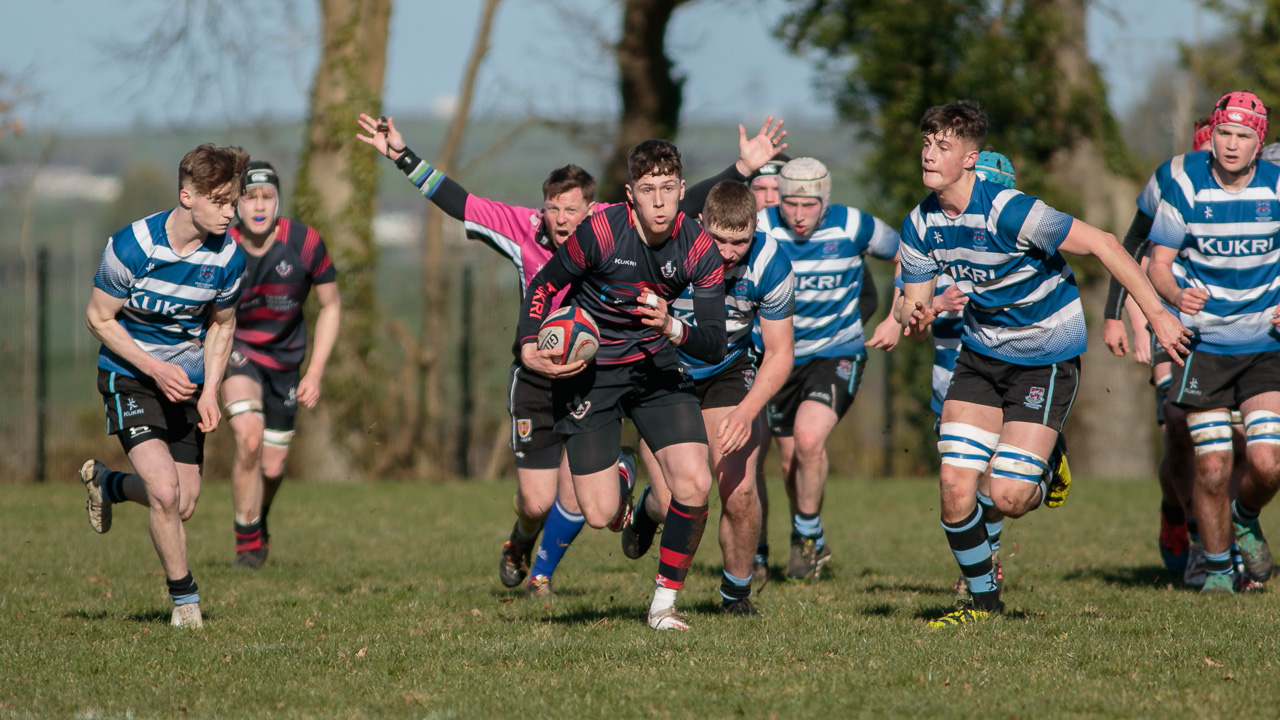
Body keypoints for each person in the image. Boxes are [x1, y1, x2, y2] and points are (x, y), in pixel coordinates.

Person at [355, 113, 782, 598]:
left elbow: (673, 199)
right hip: (542, 365)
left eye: (574, 210)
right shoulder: (523, 231)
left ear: (593, 207)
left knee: (618, 495)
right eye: (554, 210)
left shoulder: (612, 222)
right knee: (538, 503)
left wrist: (742, 169)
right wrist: (402, 156)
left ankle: (560, 574)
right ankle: (531, 540)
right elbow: (460, 203)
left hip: (614, 359)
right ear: (543, 210)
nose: (564, 219)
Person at [898, 101, 1188, 626]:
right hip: (982, 354)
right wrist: (914, 311)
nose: (930, 154)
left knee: (1008, 497)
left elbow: (1102, 244)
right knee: (954, 487)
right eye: (926, 143)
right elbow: (912, 300)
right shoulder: (921, 223)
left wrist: (1160, 316)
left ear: (970, 158)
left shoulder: (1011, 210)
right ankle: (984, 605)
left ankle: (1048, 458)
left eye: (943, 146)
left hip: (1046, 358)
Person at [516, 139, 728, 631]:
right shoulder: (601, 233)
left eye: (669, 189)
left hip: (656, 365)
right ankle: (625, 470)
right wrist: (528, 344)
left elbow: (714, 344)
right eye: (648, 189)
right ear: (630, 195)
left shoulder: (698, 247)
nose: (660, 201)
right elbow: (545, 284)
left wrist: (672, 327)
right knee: (597, 512)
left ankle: (663, 607)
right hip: (592, 372)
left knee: (695, 482)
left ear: (681, 190)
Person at [79, 144, 250, 629]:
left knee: (183, 502)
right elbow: (98, 318)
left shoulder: (229, 257)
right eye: (219, 202)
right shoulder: (132, 246)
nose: (229, 212)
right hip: (130, 375)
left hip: (187, 383)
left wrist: (211, 388)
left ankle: (107, 484)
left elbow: (222, 325)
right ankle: (186, 604)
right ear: (186, 195)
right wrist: (154, 368)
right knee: (163, 490)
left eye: (233, 201)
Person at [625, 180, 795, 617]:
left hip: (726, 371)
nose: (728, 251)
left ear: (755, 230)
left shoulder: (771, 261)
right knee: (673, 500)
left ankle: (735, 594)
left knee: (739, 491)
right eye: (718, 239)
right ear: (701, 224)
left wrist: (746, 411)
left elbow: (779, 353)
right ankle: (647, 508)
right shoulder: (669, 249)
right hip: (663, 371)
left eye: (739, 241)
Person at [1147, 91, 1280, 595]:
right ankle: (1219, 570)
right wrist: (1177, 293)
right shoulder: (1185, 188)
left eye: (1243, 137)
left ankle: (1245, 517)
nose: (1230, 145)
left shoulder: (1278, 184)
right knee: (1213, 462)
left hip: (1266, 343)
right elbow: (1156, 262)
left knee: (1268, 463)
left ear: (1258, 142)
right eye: (1224, 133)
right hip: (1203, 346)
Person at [753, 156, 904, 582]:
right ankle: (813, 536)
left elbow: (910, 255)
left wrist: (897, 313)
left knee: (808, 437)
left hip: (837, 352)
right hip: (779, 358)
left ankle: (803, 537)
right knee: (789, 464)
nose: (799, 216)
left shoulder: (854, 225)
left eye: (809, 206)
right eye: (790, 205)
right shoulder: (762, 226)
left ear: (826, 201)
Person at [221, 161, 341, 569]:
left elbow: (330, 306)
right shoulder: (221, 246)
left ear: (278, 201)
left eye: (267, 197)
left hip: (287, 363)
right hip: (237, 354)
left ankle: (260, 516)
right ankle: (246, 542)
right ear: (236, 203)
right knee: (249, 439)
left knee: (272, 467)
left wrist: (315, 371)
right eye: (250, 197)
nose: (259, 206)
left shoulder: (306, 244)